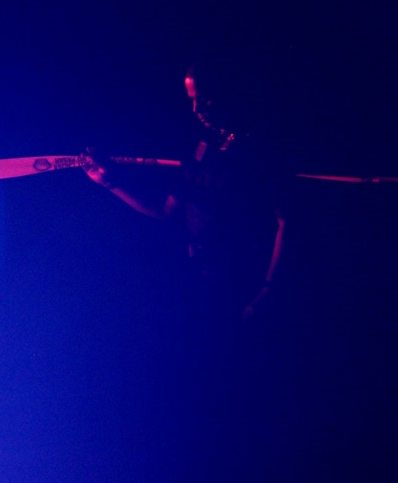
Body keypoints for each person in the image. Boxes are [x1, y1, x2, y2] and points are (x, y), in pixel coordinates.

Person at [82, 61, 289, 325]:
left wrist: (269, 291)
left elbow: (286, 221)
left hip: (244, 285)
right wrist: (110, 183)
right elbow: (166, 211)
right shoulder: (205, 147)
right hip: (202, 282)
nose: (196, 109)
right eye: (192, 100)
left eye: (205, 100)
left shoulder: (259, 150)